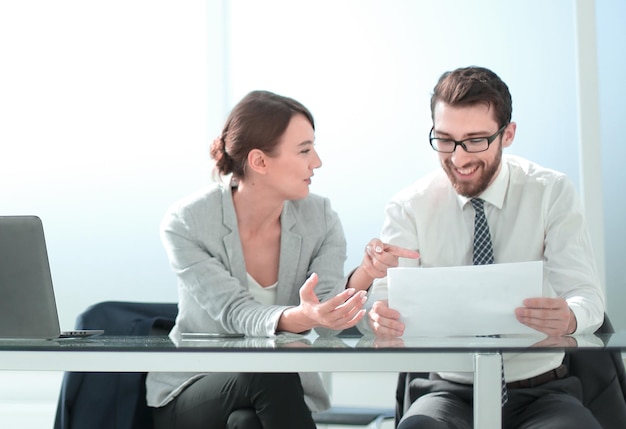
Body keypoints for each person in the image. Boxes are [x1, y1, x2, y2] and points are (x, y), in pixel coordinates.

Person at [145, 90, 418, 429]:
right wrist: (300, 316)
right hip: (193, 389)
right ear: (259, 161)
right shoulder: (187, 222)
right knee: (268, 369)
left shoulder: (320, 217)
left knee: (247, 423)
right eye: (304, 150)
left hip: (271, 394)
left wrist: (366, 272)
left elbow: (326, 316)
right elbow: (235, 311)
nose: (316, 162)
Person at [365, 66, 605, 428]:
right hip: (448, 392)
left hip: (542, 393)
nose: (459, 158)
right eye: (445, 139)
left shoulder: (551, 192)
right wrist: (378, 317)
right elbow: (384, 302)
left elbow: (588, 299)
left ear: (507, 135)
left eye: (475, 140)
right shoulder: (408, 206)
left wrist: (570, 316)